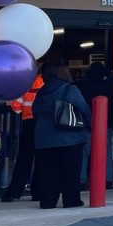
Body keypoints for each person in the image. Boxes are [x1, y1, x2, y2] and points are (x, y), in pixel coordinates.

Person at [31, 63, 91, 209]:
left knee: (48, 173)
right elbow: (83, 108)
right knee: (70, 172)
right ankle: (71, 200)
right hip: (69, 138)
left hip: (43, 139)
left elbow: (35, 111)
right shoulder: (70, 89)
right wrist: (90, 125)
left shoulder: (42, 91)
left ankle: (47, 202)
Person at [1, 74, 43, 203]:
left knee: (24, 157)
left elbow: (16, 106)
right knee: (42, 158)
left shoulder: (27, 83)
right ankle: (38, 192)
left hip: (28, 122)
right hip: (44, 123)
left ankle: (13, 192)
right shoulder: (47, 84)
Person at [78, 62, 113, 188]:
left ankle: (81, 180)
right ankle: (108, 180)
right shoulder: (108, 86)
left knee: (84, 153)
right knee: (107, 152)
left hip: (87, 124)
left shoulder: (84, 86)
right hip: (106, 123)